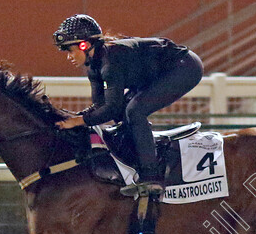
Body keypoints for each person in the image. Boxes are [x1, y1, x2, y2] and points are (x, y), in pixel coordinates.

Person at [52, 14, 204, 196]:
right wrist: (75, 118)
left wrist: (78, 121)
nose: (69, 57)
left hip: (185, 67)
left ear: (84, 45)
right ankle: (142, 158)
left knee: (135, 111)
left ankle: (151, 175)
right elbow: (100, 107)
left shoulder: (110, 61)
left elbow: (110, 109)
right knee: (127, 110)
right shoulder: (94, 66)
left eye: (70, 50)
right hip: (161, 72)